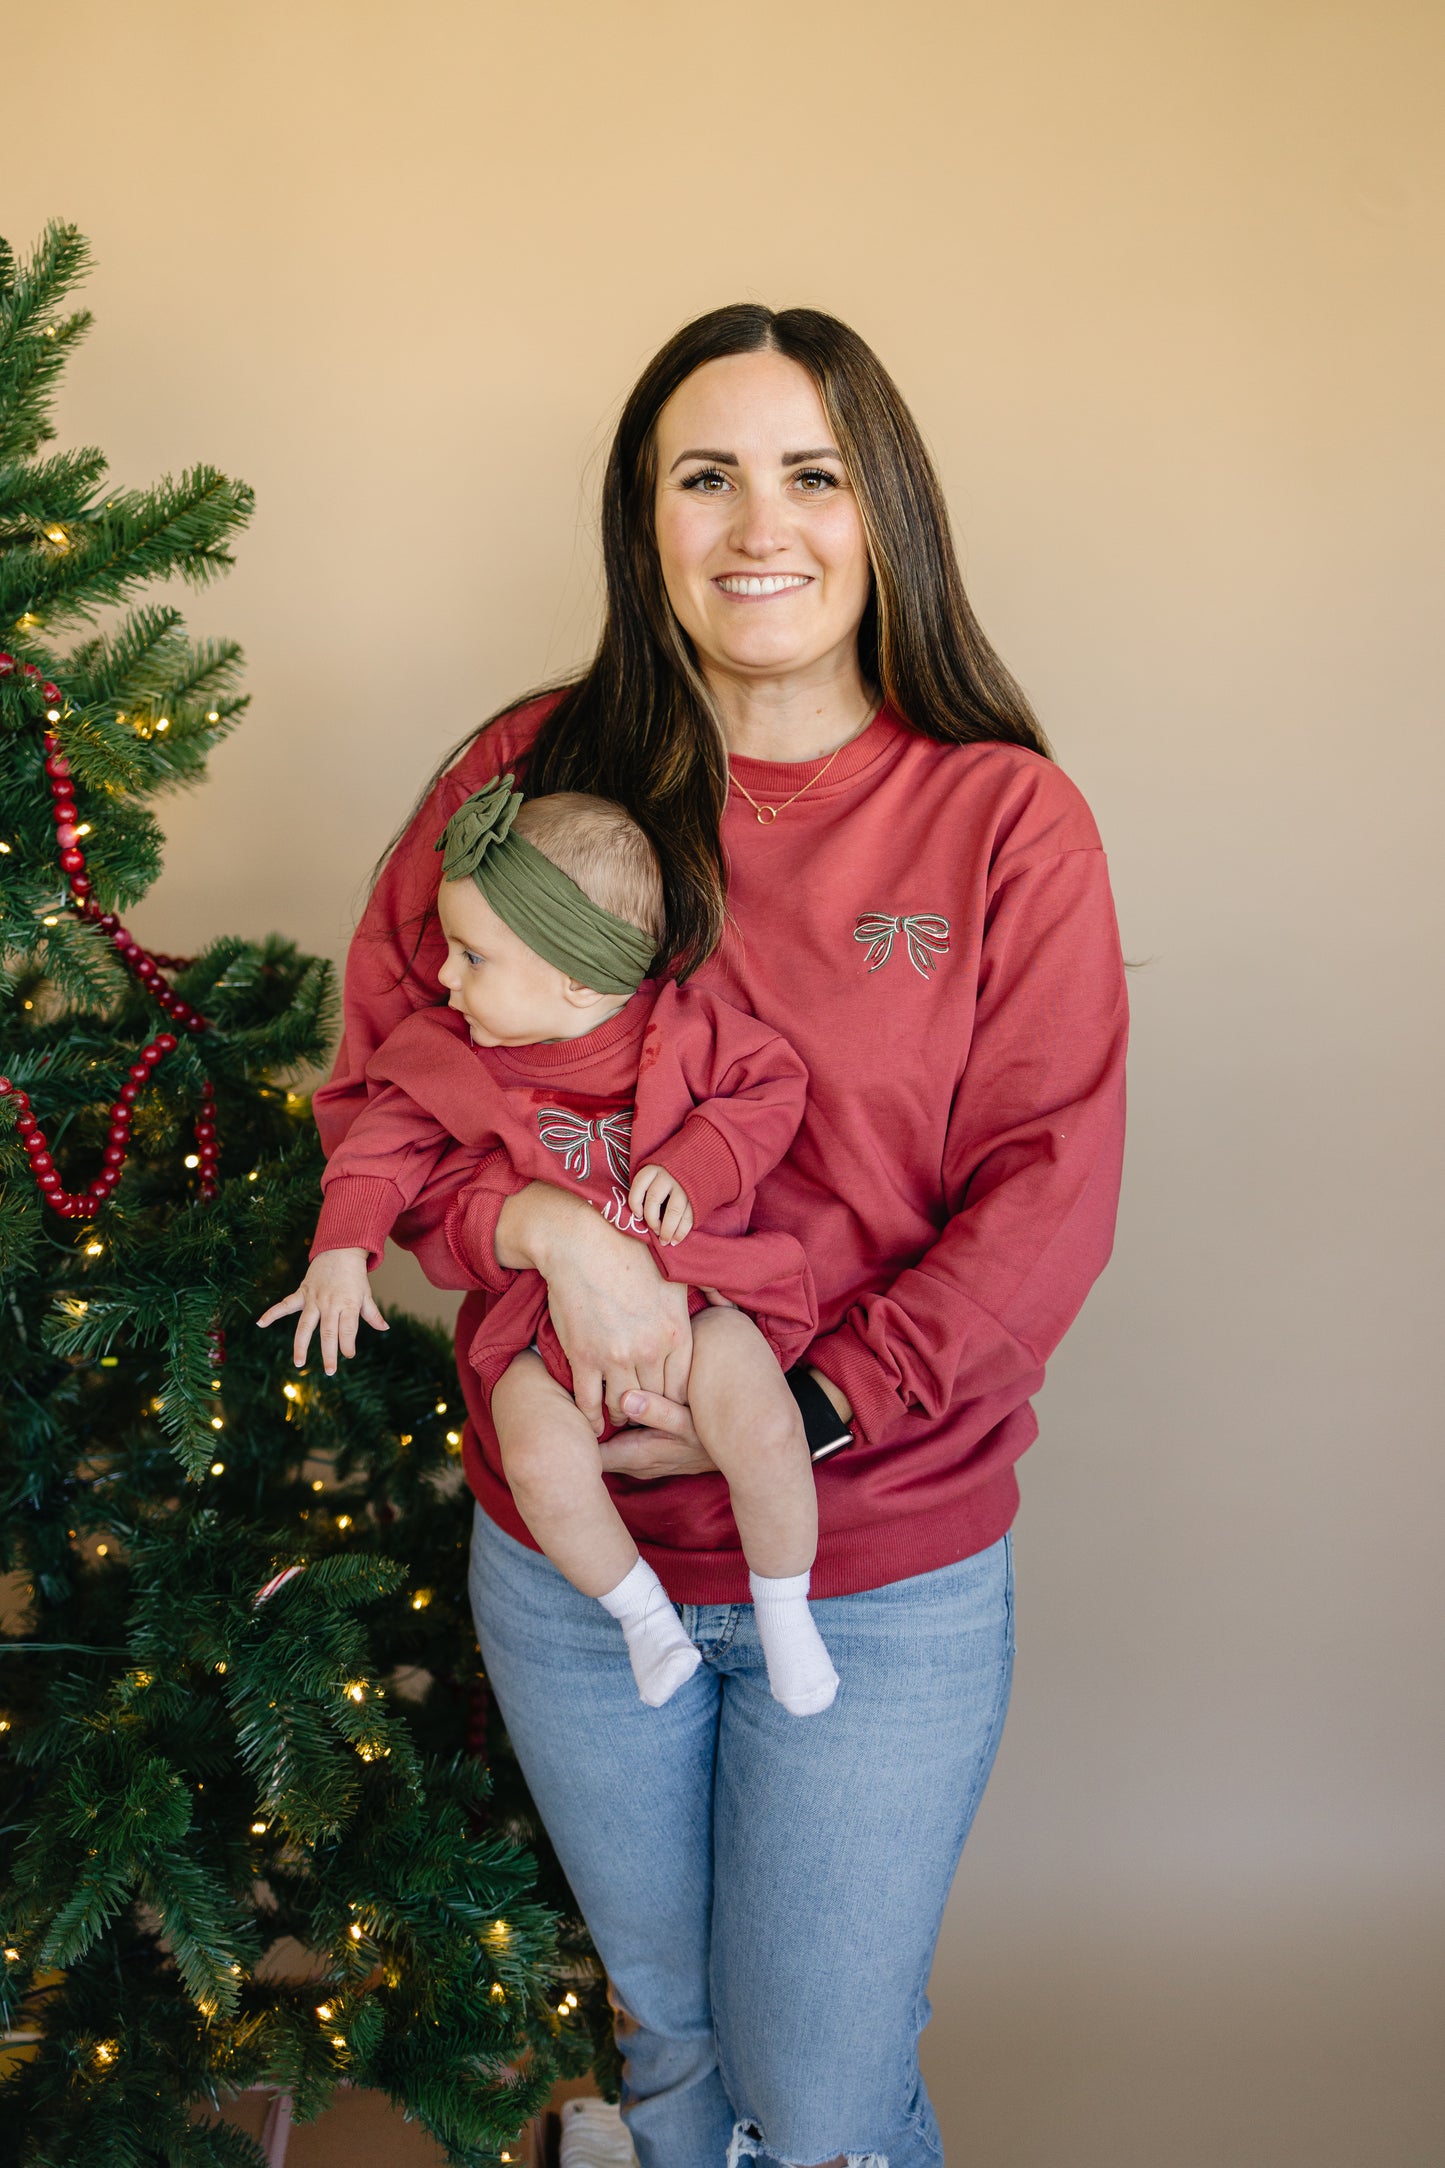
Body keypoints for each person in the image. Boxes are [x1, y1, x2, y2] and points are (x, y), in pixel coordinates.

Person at [309, 304, 1129, 2168]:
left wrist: (811, 1409)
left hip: (882, 1562)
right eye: (706, 476)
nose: (761, 524)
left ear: (882, 513)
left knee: (821, 2090)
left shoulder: (1000, 822)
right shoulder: (520, 781)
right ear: (646, 519)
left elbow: (1046, 1196)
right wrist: (535, 1223)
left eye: (813, 474)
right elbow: (391, 1081)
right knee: (672, 2042)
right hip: (572, 1558)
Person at [260, 777, 840, 1715]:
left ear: (575, 973)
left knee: (765, 1426)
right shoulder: (449, 1055)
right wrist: (340, 1251)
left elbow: (770, 1089)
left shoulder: (687, 1035)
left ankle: (785, 1609)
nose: (445, 978)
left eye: (472, 956)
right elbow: (378, 1151)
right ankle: (640, 1617)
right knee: (536, 1459)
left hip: (703, 1303)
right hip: (537, 1335)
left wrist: (699, 1161)